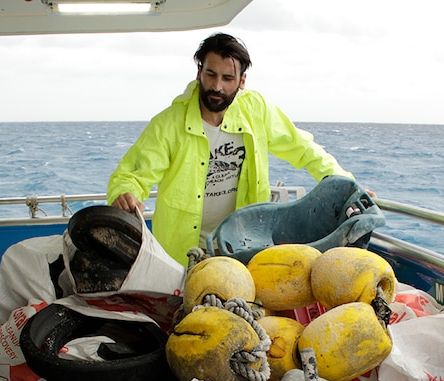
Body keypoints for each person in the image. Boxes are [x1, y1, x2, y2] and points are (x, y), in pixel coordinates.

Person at [107, 32, 357, 266]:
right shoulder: (168, 124)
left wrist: (347, 185)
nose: (217, 86)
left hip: (244, 250)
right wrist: (125, 194)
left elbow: (303, 149)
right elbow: (132, 174)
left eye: (227, 78)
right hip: (179, 256)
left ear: (242, 81)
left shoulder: (256, 110)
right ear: (199, 73)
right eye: (211, 74)